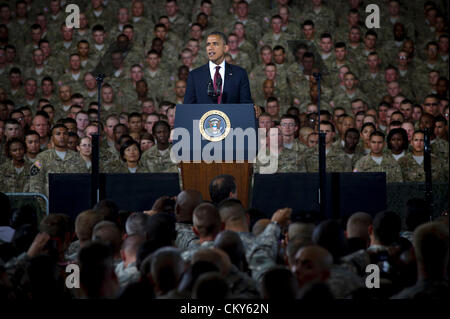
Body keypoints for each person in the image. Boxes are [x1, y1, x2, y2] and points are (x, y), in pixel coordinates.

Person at [183, 31, 253, 105]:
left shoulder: (239, 74)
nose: (210, 48)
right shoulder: (194, 75)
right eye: (208, 44)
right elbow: (188, 107)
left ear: (225, 48)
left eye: (215, 44)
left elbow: (246, 106)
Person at [28, 124, 88, 198]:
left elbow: (84, 182)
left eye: (65, 134)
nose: (62, 137)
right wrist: (42, 205)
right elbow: (35, 182)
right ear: (52, 138)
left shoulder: (77, 158)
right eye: (58, 134)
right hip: (48, 204)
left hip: (73, 202)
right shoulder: (42, 158)